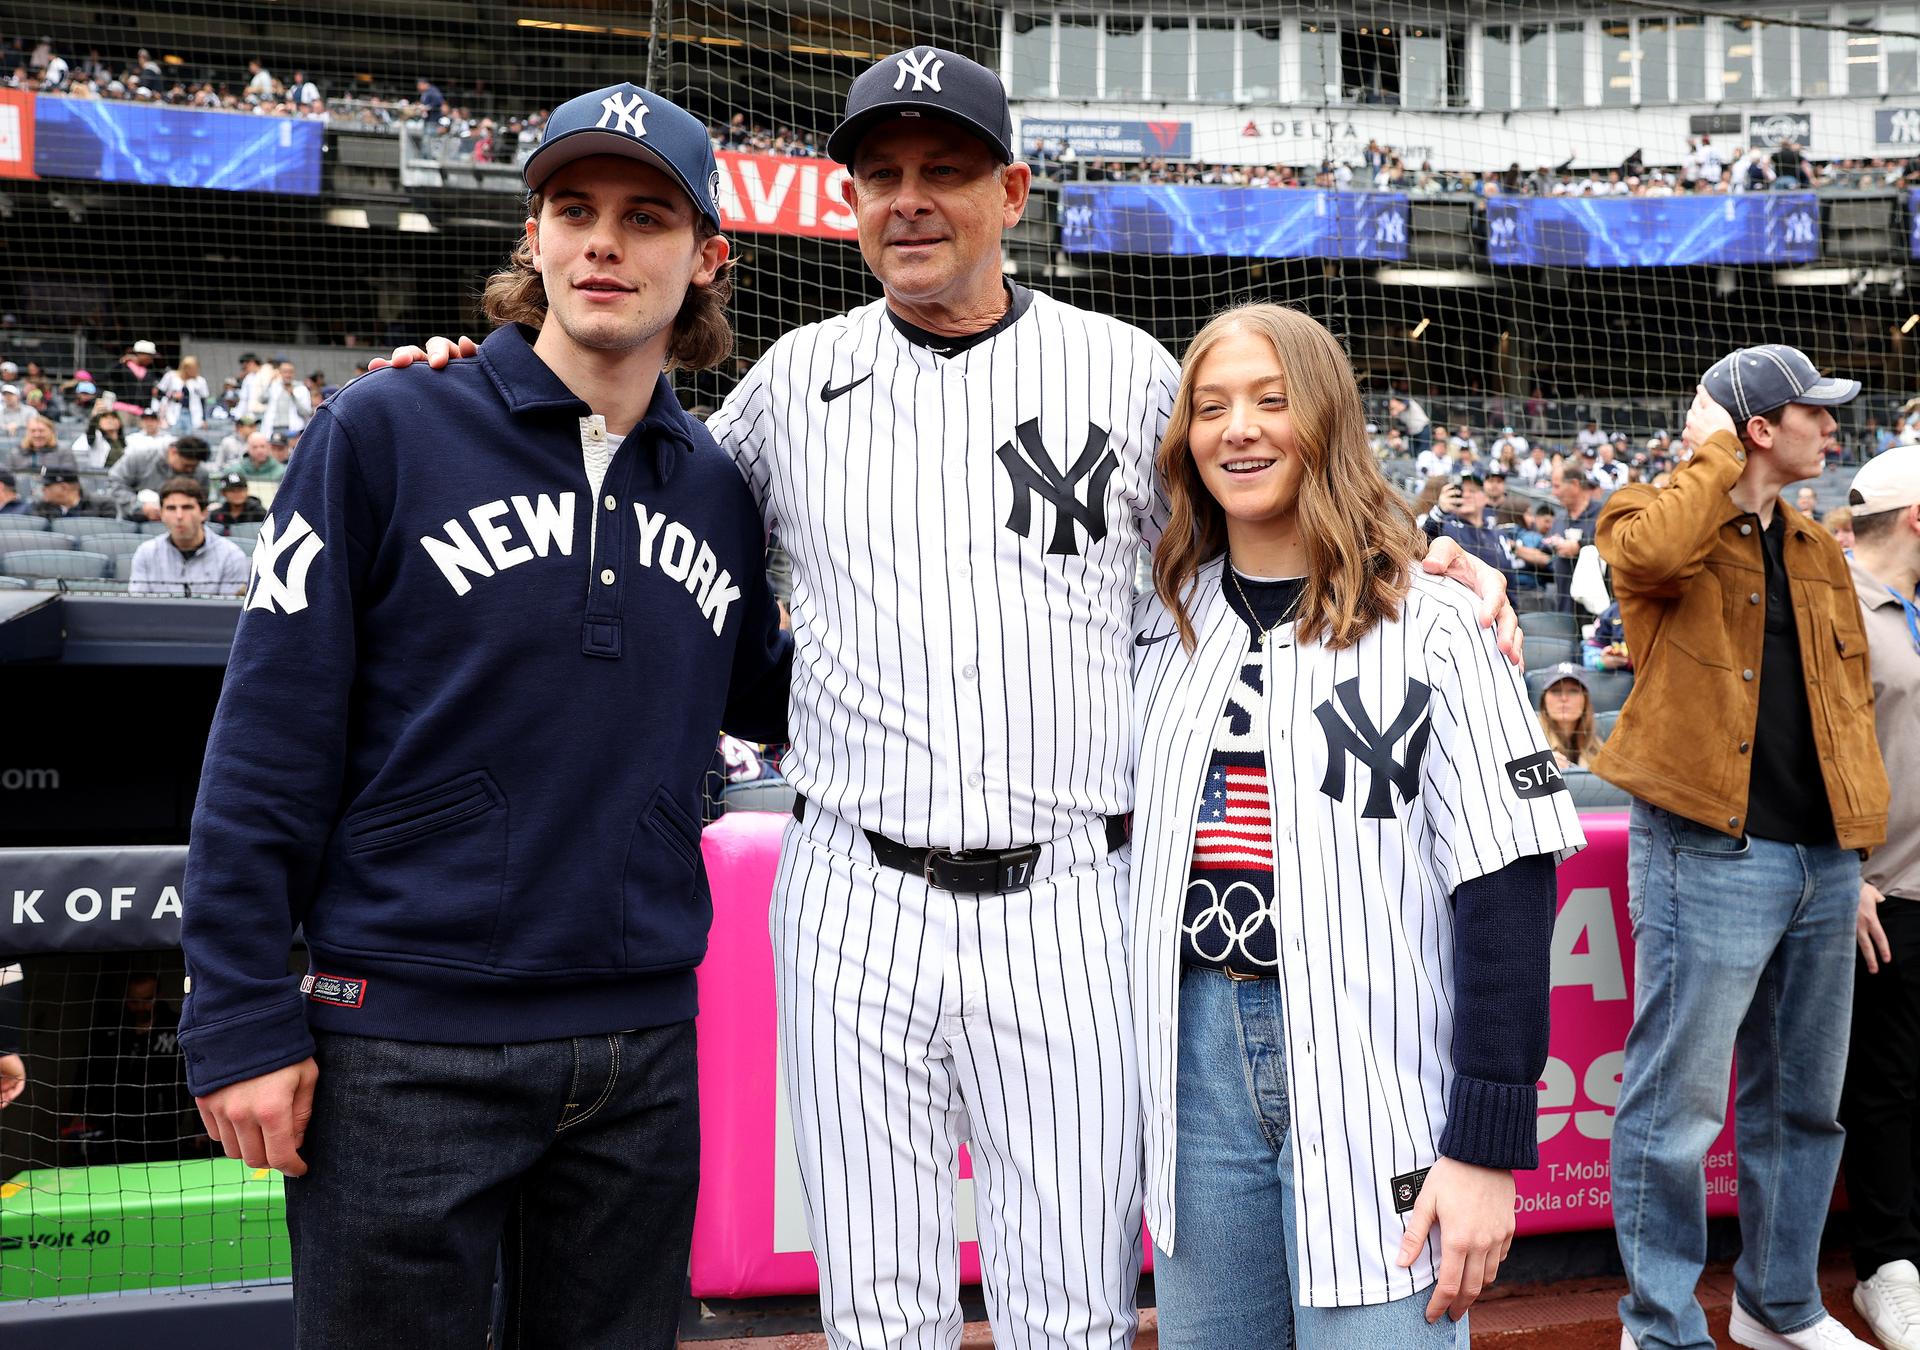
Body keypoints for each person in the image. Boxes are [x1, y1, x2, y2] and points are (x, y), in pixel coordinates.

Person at [383, 51, 1519, 1349]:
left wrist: (1416, 555)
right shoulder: (790, 386)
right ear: (847, 201)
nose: (910, 200)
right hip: (855, 892)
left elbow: (1263, 523)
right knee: (878, 1307)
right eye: (881, 177)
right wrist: (467, 387)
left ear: (1012, 192)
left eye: (945, 173)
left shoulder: (1129, 371)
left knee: (1074, 1304)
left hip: (1072, 902)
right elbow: (612, 458)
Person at [181, 82, 791, 1349]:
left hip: (637, 1052)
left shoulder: (724, 492)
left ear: (709, 256)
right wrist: (238, 1012)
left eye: (645, 216)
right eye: (573, 209)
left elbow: (785, 699)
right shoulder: (383, 431)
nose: (604, 243)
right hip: (404, 1048)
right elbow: (266, 744)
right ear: (534, 238)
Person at [1131, 303, 1582, 1347]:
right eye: (1211, 407)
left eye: (1270, 401)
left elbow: (1508, 889)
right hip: (1194, 1066)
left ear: (1326, 419)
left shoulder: (1434, 622)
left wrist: (1485, 1148)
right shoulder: (1155, 618)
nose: (1238, 428)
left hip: (1379, 1067)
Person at [1595, 346, 1890, 1350]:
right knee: (1675, 1111)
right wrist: (1713, 452)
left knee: (1807, 1105)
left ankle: (1778, 1306)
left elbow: (1843, 712)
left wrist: (1850, 861)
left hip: (1820, 862)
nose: (1834, 429)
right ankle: (1658, 1326)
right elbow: (1644, 563)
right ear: (1759, 427)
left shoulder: (1815, 545)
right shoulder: (1650, 515)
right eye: (1814, 412)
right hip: (1708, 851)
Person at [1838, 446, 1920, 1350]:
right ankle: (1887, 1267)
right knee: (1885, 1085)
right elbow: (1817, 750)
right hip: (1882, 887)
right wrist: (1847, 870)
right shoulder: (1838, 603)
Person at [127, 477, 252, 597]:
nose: (179, 516)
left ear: (203, 513)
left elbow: (228, 613)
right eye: (171, 508)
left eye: (187, 507)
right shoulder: (146, 553)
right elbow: (138, 609)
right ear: (162, 514)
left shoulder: (231, 556)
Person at [109, 435, 211, 520]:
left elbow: (201, 502)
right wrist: (139, 506)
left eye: (194, 467)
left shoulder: (201, 473)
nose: (190, 470)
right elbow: (116, 480)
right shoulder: (140, 457)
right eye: (186, 465)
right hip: (133, 521)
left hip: (181, 526)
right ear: (173, 452)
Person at [1546, 467, 1605, 611]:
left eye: (1557, 486)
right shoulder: (1559, 518)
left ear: (1574, 484)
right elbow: (1545, 553)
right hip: (1564, 604)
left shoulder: (1604, 514)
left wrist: (1580, 546)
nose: (1554, 493)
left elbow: (1613, 545)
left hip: (1595, 608)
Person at [1534, 662, 1600, 768]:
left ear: (1585, 700)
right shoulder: (1528, 741)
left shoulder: (1598, 747)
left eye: (1573, 691)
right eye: (1556, 691)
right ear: (1544, 700)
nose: (1564, 698)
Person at [29, 465, 114, 519]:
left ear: (64, 487)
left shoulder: (103, 507)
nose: (43, 489)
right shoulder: (41, 508)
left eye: (47, 485)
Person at [155, 354, 211, 431]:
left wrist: (204, 419)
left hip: (193, 414)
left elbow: (203, 401)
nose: (194, 371)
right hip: (172, 412)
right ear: (185, 368)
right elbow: (159, 394)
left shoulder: (200, 381)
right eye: (192, 368)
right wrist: (172, 396)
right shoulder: (171, 376)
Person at [73, 404, 129, 469]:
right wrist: (94, 416)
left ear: (119, 422)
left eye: (113, 417)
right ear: (98, 423)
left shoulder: (128, 441)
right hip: (102, 476)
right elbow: (90, 434)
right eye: (105, 417)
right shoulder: (97, 438)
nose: (110, 420)